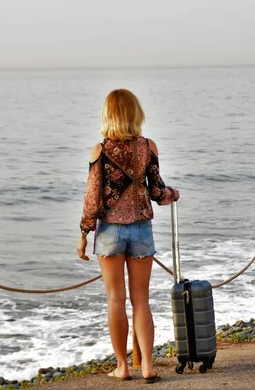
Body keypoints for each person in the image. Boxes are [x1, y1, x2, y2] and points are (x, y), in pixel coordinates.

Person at [77, 89, 179, 384]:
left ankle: (122, 367)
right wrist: (175, 193)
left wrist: (84, 233)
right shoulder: (149, 147)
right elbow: (159, 192)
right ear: (135, 113)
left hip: (110, 231)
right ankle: (147, 365)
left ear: (108, 114)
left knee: (115, 300)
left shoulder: (100, 150)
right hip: (141, 229)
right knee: (141, 301)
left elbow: (92, 200)